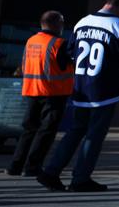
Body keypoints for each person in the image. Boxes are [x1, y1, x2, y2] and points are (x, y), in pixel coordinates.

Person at [38, 0, 119, 192]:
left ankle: (51, 171)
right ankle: (81, 178)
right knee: (94, 135)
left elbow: (68, 52)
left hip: (81, 87)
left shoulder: (82, 22)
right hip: (104, 89)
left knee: (75, 132)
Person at [7, 11, 73, 177]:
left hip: (31, 90)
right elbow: (69, 65)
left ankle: (15, 166)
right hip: (53, 93)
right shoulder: (59, 43)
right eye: (62, 22)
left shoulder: (31, 41)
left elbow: (24, 65)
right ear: (57, 24)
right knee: (46, 131)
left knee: (28, 130)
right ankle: (32, 167)